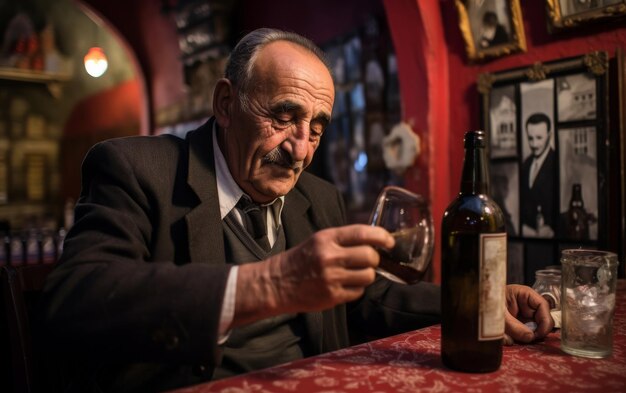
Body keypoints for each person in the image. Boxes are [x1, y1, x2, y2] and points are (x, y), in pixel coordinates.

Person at [39, 28, 553, 392]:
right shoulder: (134, 168)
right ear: (225, 104)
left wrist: (475, 302)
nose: (302, 150)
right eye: (284, 117)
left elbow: (364, 299)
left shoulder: (318, 197)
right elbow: (71, 303)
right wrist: (273, 284)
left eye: (318, 127)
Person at [520, 113, 557, 238]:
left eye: (539, 138)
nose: (534, 144)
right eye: (530, 138)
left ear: (549, 135)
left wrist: (553, 228)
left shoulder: (557, 163)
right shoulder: (526, 164)